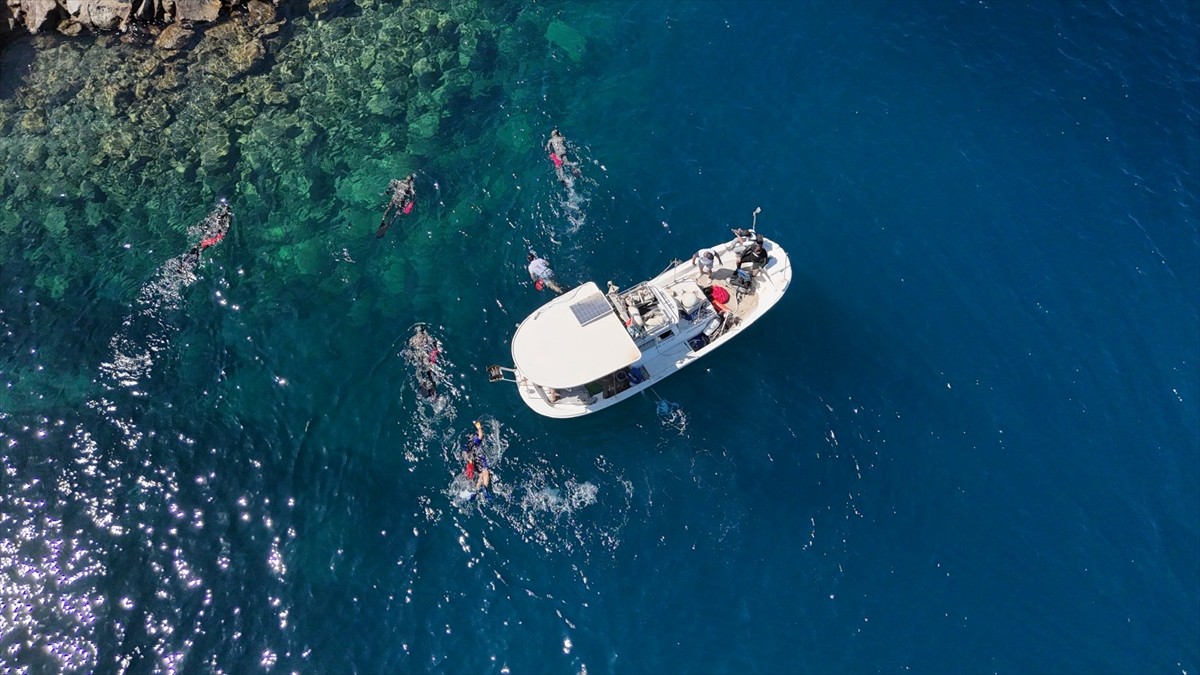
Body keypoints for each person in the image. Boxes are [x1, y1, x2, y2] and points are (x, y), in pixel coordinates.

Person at [180, 202, 232, 272]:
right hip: (212, 236)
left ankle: (186, 264)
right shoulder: (227, 219)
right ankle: (187, 264)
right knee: (200, 246)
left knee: (200, 246)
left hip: (210, 234)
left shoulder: (216, 217)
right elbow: (221, 234)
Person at [376, 174, 416, 238]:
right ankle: (388, 225)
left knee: (388, 209)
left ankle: (383, 220)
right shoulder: (409, 187)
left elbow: (391, 185)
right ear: (411, 181)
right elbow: (413, 195)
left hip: (395, 198)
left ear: (406, 178)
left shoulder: (399, 182)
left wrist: (387, 192)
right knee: (396, 214)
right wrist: (412, 202)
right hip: (401, 201)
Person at [462, 420, 491, 496]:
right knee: (485, 472)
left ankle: (476, 490)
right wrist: (478, 426)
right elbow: (481, 435)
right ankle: (485, 488)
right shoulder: (475, 441)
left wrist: (469, 461)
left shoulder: (467, 445)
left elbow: (465, 454)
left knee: (480, 474)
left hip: (471, 460)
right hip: (479, 458)